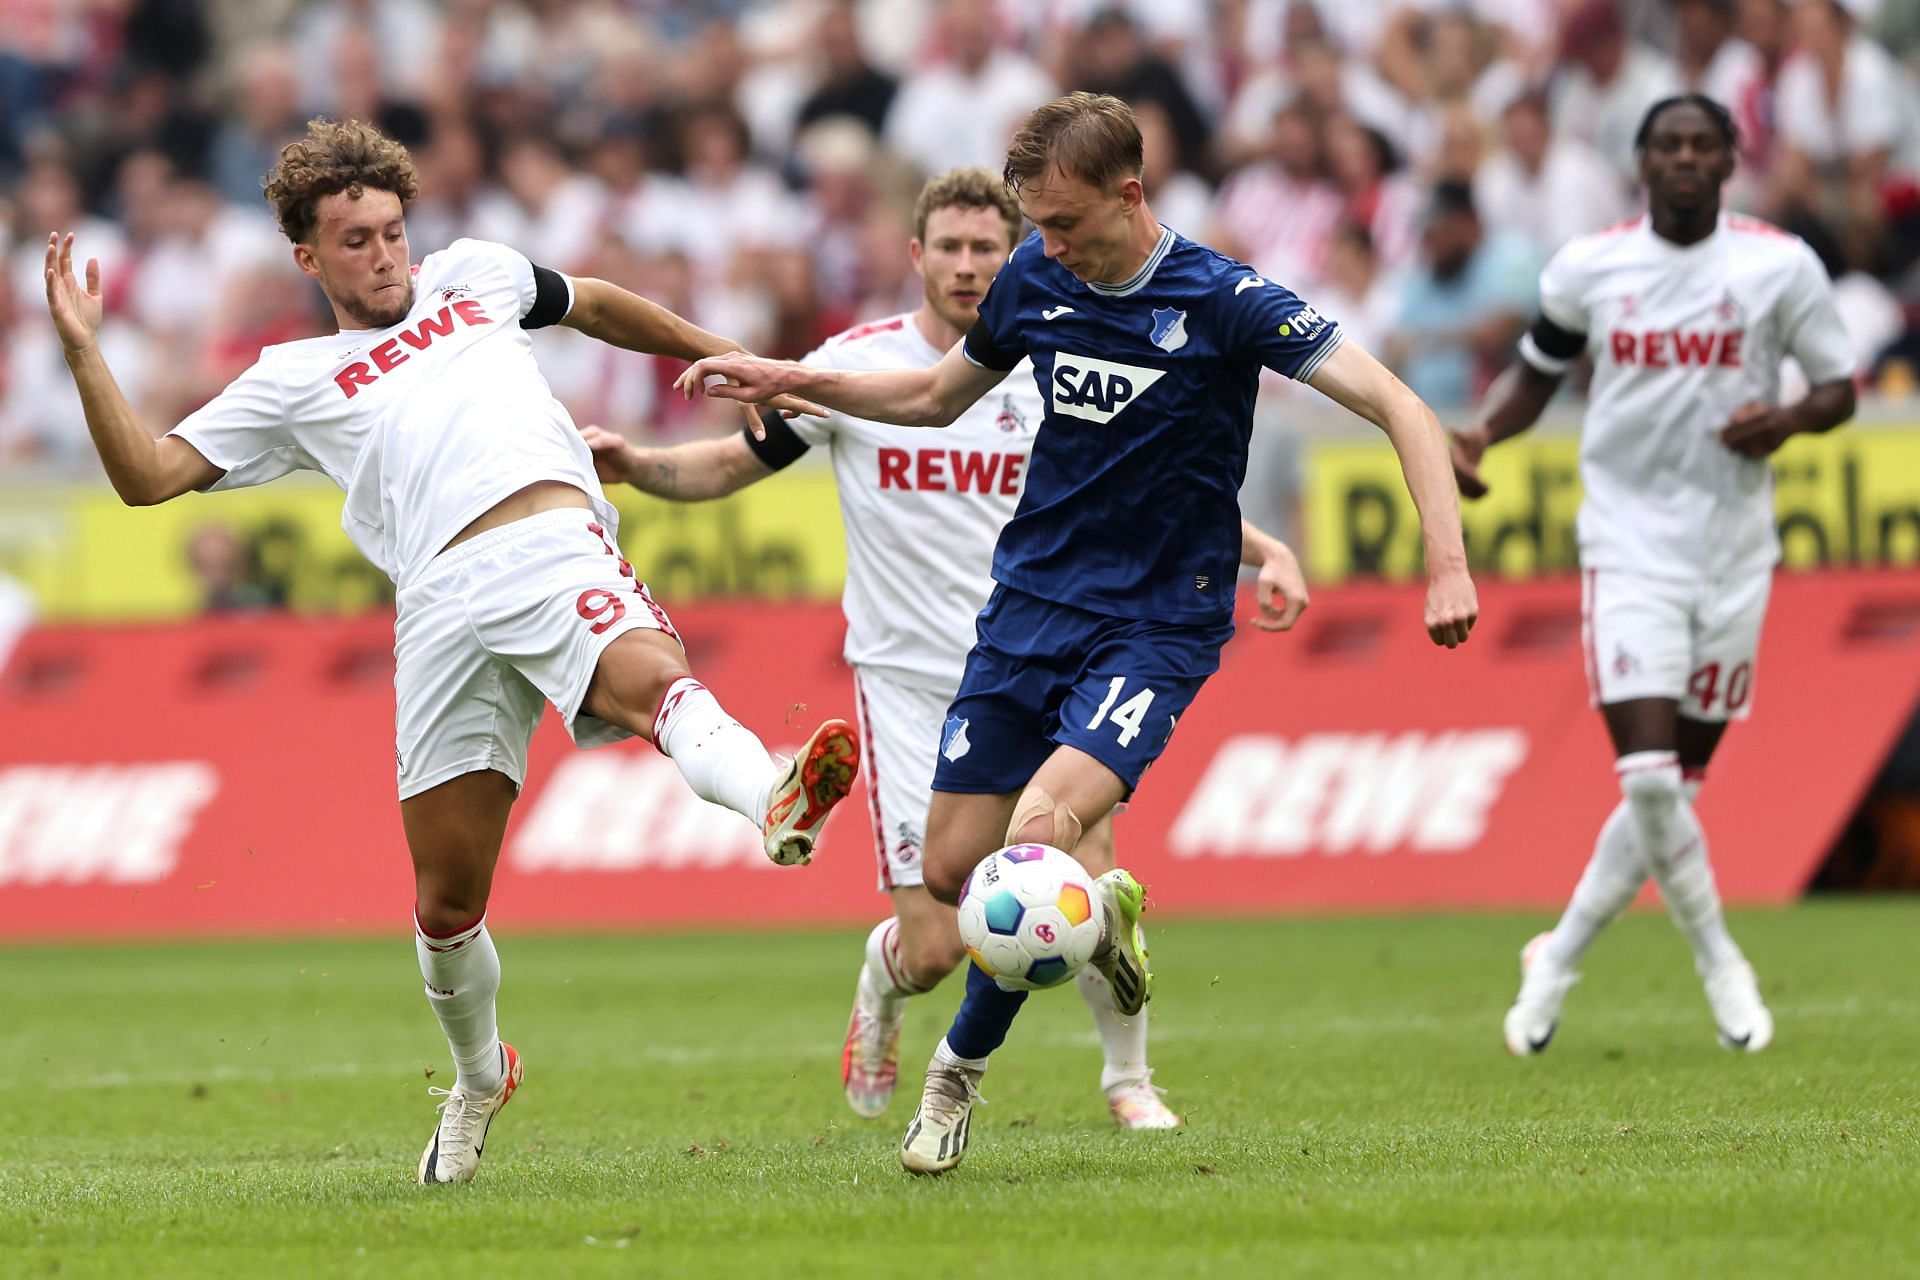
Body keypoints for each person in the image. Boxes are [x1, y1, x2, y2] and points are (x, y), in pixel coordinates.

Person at [42, 118, 862, 1186]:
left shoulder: (472, 276)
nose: (384, 256)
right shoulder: (291, 376)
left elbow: (596, 302)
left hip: (548, 537)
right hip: (434, 603)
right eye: (356, 241)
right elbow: (148, 476)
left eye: (391, 231)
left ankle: (775, 797)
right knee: (444, 903)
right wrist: (81, 350)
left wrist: (722, 354)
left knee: (653, 678)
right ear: (307, 256)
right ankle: (480, 1074)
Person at [678, 92, 1478, 1175]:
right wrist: (793, 377)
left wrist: (1446, 564)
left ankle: (957, 1077)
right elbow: (929, 399)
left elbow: (1401, 406)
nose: (1045, 250)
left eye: (1066, 225)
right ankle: (1101, 923)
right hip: (1029, 609)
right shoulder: (1040, 279)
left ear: (1131, 193)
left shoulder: (1225, 298)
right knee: (958, 872)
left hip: (1157, 621)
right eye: (1036, 228)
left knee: (1039, 834)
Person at [584, 166, 1312, 1134]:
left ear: (1013, 252)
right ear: (916, 255)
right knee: (935, 948)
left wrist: (1261, 549)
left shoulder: (1054, 347)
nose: (971, 265)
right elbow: (732, 462)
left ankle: (1129, 1078)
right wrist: (639, 465)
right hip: (910, 683)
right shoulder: (858, 368)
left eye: (988, 247)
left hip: (1055, 650)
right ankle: (882, 991)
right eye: (953, 247)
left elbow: (1155, 491)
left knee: (1088, 874)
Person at [1451, 94, 1856, 1057]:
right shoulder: (1593, 266)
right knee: (1645, 772)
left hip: (1735, 553)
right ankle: (1721, 958)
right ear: (1642, 164)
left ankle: (1556, 953)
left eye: (1701, 145)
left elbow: (1838, 384)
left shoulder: (1778, 265)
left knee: (1677, 784)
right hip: (1629, 546)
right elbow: (1538, 368)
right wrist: (1484, 436)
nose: (1683, 158)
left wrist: (1790, 419)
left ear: (1729, 161)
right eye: (1667, 144)